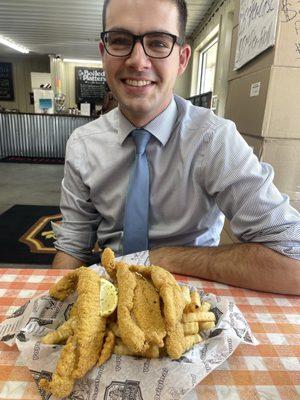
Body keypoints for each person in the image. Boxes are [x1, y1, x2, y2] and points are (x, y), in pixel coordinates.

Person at [52, 0, 300, 295]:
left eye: (158, 43)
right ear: (103, 54)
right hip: (111, 290)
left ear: (182, 59)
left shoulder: (214, 139)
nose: (137, 60)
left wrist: (164, 258)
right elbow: (72, 248)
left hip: (189, 296)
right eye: (120, 41)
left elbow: (293, 258)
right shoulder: (83, 144)